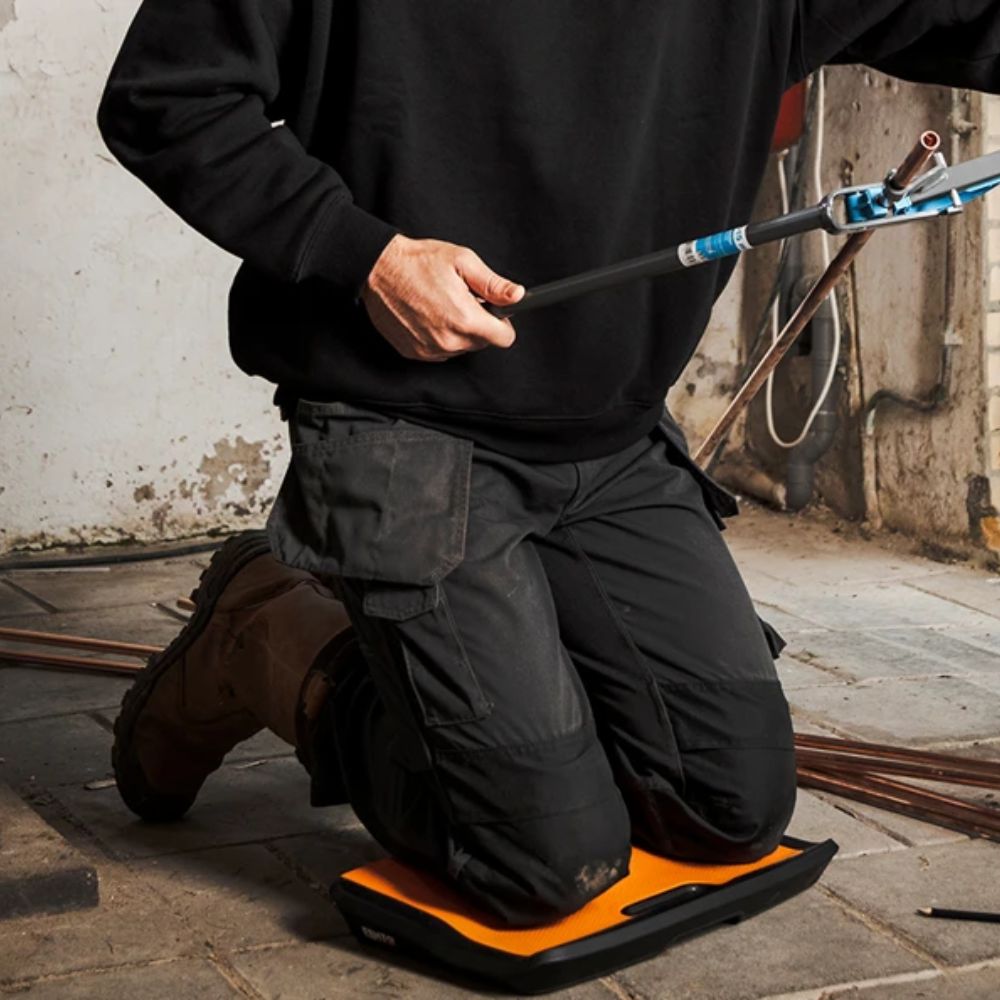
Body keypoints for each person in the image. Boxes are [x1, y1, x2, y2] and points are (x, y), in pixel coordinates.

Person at [96, 2, 1000, 927]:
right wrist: (366, 258)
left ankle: (514, 727)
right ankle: (265, 634)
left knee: (728, 806)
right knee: (542, 861)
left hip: (613, 436)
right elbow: (167, 97)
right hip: (404, 422)